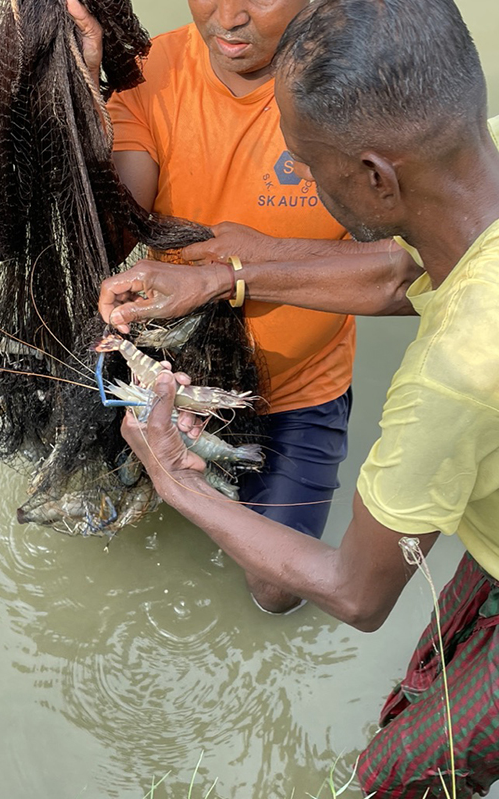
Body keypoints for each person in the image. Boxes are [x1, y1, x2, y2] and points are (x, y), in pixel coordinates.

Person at [104, 0, 499, 795]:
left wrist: (176, 477)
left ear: (375, 179)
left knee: (389, 775)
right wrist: (227, 273)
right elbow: (403, 270)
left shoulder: (455, 374)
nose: (301, 180)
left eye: (308, 165)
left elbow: (358, 592)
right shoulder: (472, 197)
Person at [68, 0, 420, 615]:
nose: (227, 15)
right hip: (171, 375)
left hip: (299, 385)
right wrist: (83, 98)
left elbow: (415, 270)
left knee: (277, 590)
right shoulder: (151, 71)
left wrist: (235, 273)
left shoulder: (363, 89)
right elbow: (113, 232)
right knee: (93, 520)